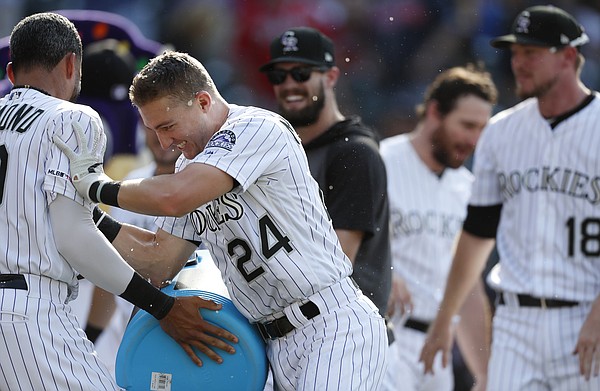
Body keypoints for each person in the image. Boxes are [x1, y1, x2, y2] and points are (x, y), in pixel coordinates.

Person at [54, 50, 388, 390]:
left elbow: (175, 197)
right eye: (154, 132)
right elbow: (158, 261)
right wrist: (91, 217)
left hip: (331, 326)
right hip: (275, 344)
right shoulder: (188, 168)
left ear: (202, 101)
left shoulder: (256, 127)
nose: (165, 143)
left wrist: (97, 188)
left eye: (168, 126)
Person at [0, 13, 238, 391]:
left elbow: (60, 215)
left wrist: (105, 225)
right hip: (30, 310)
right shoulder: (72, 118)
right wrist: (162, 307)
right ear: (70, 64)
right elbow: (73, 237)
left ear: (11, 72)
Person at [419, 5, 600, 390]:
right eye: (515, 52)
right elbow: (477, 233)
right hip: (516, 321)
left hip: (587, 312)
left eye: (532, 53)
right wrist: (445, 316)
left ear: (568, 56)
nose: (518, 62)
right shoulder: (500, 133)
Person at [258, 27, 392, 324]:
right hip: (303, 327)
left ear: (330, 77)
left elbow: (335, 266)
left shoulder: (354, 153)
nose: (289, 85)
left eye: (302, 73)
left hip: (346, 332)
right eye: (279, 76)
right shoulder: (280, 150)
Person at [379, 64, 498, 391]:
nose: (474, 139)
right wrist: (384, 271)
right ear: (434, 112)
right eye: (467, 125)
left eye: (482, 129)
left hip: (438, 347)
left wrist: (484, 373)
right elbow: (340, 244)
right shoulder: (380, 162)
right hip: (386, 338)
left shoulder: (469, 187)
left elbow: (469, 287)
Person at [82, 125, 182, 376]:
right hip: (128, 338)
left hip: (187, 334)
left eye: (169, 126)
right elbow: (110, 269)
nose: (160, 137)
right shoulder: (128, 186)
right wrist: (90, 337)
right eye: (152, 127)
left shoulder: (209, 190)